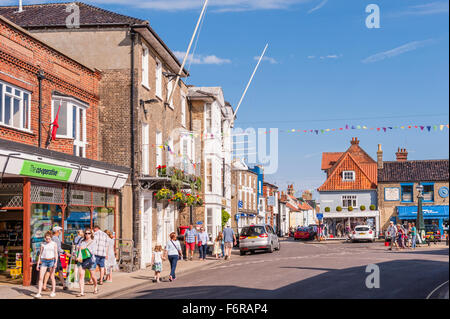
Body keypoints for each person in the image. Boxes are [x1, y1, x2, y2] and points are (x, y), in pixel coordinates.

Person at [33, 231, 58, 299]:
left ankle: (53, 291)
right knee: (41, 277)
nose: (48, 240)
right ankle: (39, 293)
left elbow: (56, 254)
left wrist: (56, 262)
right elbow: (40, 254)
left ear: (51, 238)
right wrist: (38, 264)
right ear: (44, 238)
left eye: (49, 238)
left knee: (52, 277)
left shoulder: (54, 244)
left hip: (51, 260)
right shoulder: (43, 244)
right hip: (44, 261)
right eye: (46, 238)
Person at [42, 226, 67, 291]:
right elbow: (58, 248)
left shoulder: (53, 237)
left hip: (53, 256)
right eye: (60, 230)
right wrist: (65, 253)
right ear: (57, 231)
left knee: (58, 270)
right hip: (55, 257)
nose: (61, 231)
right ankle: (44, 286)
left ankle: (64, 285)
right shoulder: (55, 238)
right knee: (50, 271)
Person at [76, 228, 98, 297]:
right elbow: (79, 250)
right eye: (86, 233)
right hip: (82, 260)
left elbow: (94, 252)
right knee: (81, 276)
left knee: (93, 276)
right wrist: (77, 255)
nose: (87, 235)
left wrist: (86, 249)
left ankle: (95, 287)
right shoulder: (82, 242)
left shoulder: (93, 242)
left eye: (89, 233)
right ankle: (82, 292)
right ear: (84, 234)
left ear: (91, 234)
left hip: (90, 260)